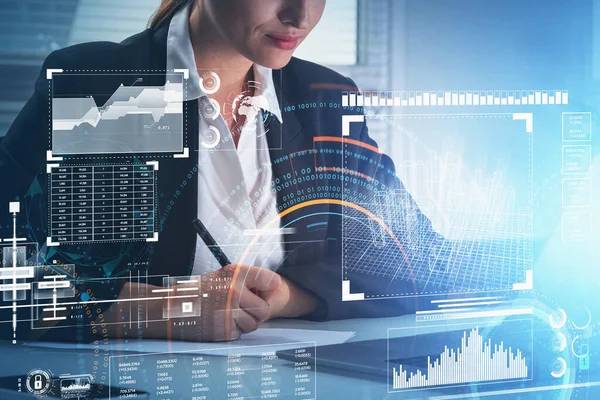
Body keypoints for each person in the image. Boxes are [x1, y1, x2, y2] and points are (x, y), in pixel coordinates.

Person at [0, 0, 436, 343]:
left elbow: (420, 258)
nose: (299, 15)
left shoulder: (323, 98)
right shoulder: (101, 88)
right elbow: (8, 281)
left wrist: (283, 298)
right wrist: (168, 309)